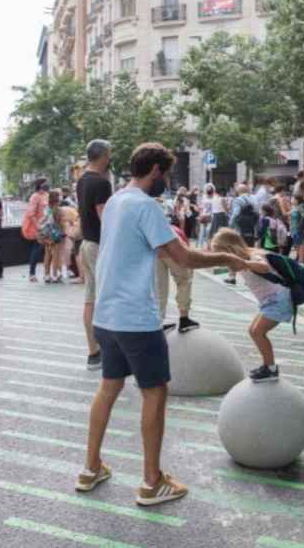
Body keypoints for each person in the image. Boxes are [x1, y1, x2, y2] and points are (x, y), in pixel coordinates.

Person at [78, 142, 247, 505]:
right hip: (136, 319)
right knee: (155, 392)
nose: (167, 181)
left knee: (109, 387)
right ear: (155, 170)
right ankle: (151, 482)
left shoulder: (118, 201)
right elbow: (183, 258)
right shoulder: (146, 207)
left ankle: (90, 468)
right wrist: (227, 258)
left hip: (107, 316)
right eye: (166, 173)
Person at [211, 228, 295, 382]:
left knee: (257, 332)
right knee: (253, 331)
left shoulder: (252, 255)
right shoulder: (240, 258)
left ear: (230, 248)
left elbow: (263, 267)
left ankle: (270, 369)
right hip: (269, 301)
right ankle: (268, 366)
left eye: (221, 252)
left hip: (278, 300)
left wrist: (244, 262)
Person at [77, 139, 114, 370]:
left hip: (87, 244)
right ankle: (110, 350)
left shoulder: (82, 180)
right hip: (100, 247)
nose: (110, 158)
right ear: (103, 156)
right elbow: (106, 218)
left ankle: (94, 352)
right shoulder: (101, 183)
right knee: (107, 298)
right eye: (109, 154)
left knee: (90, 299)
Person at [156, 224, 200, 333]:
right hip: (173, 248)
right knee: (185, 280)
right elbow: (186, 253)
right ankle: (184, 319)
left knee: (159, 287)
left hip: (155, 250)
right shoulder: (178, 232)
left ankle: (158, 324)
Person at [21, 179, 49, 282]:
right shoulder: (35, 196)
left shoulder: (46, 195)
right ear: (39, 185)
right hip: (37, 228)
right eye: (44, 183)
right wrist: (37, 226)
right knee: (36, 249)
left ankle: (48, 273)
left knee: (46, 250)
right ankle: (32, 273)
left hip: (46, 226)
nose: (46, 185)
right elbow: (31, 213)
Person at [41, 189, 67, 283]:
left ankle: (47, 275)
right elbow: (60, 223)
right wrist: (64, 232)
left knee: (47, 254)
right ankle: (55, 275)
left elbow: (43, 220)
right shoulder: (58, 209)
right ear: (57, 198)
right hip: (56, 233)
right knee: (56, 254)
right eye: (59, 196)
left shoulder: (47, 208)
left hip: (46, 233)